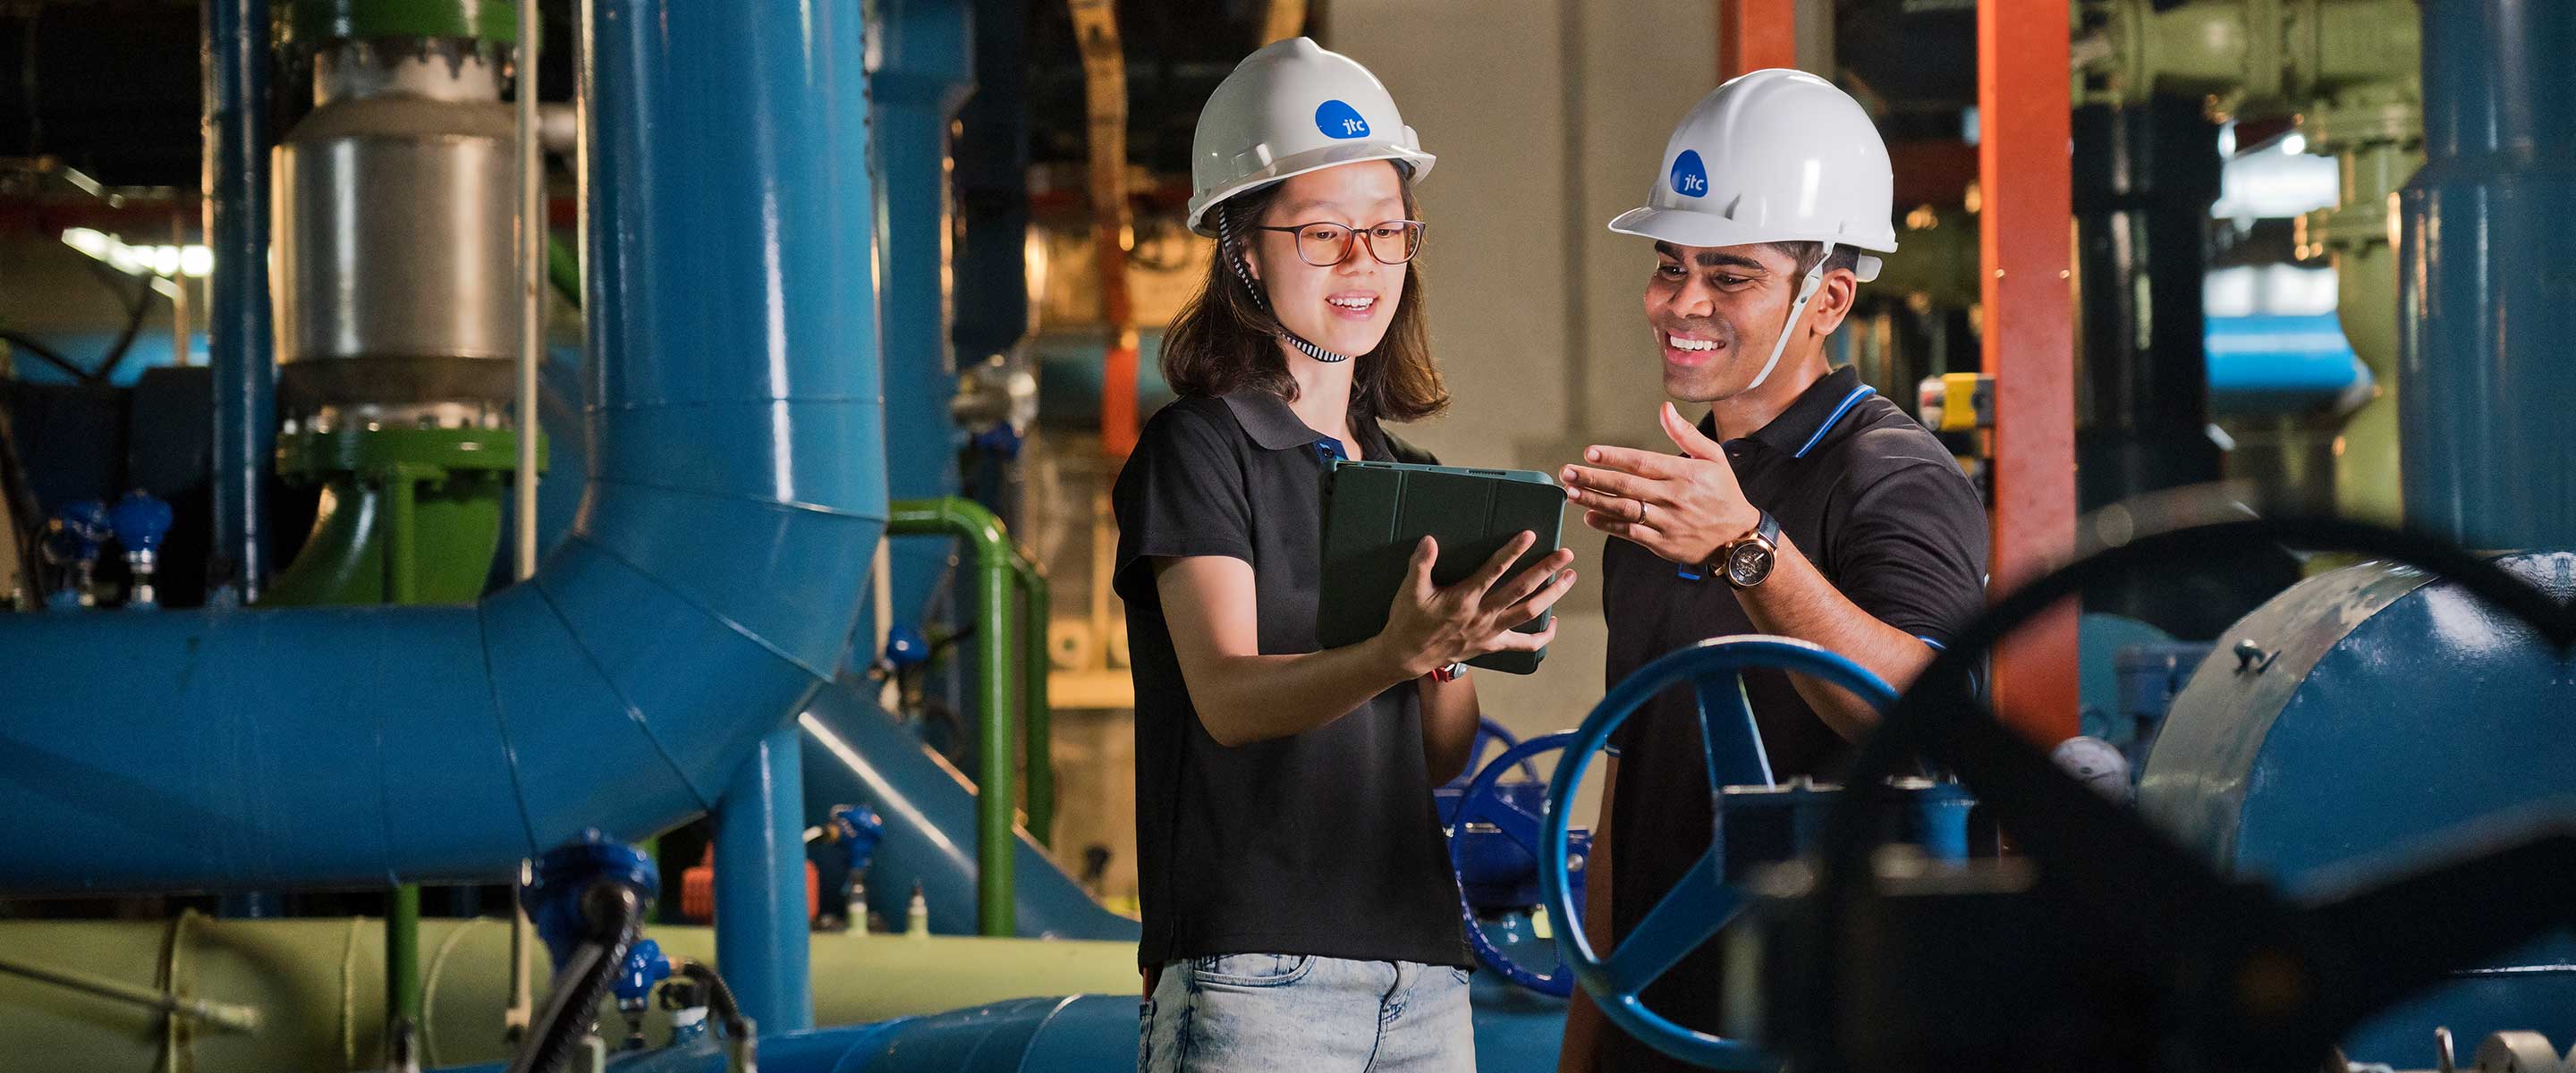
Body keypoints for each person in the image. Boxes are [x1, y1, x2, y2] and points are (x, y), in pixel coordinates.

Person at [1114, 37, 1579, 1073]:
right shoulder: (1200, 449)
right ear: (1240, 244)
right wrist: (1398, 651)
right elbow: (1229, 701)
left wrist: (1461, 640)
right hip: (1254, 968)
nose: (1362, 264)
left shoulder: (1408, 469)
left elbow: (1437, 753)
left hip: (1419, 963)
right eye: (1321, 235)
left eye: (1385, 231)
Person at [1552, 69, 1990, 1073]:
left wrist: (1749, 550)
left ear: (1827, 297)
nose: (1681, 304)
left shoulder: (1892, 475)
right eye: (1670, 266)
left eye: (1731, 275)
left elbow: (1926, 715)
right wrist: (1589, 1048)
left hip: (1822, 1034)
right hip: (1664, 1032)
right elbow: (1629, 796)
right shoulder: (1670, 502)